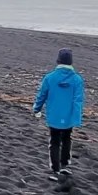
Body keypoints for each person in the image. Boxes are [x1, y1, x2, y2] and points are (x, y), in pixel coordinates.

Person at [32, 48, 85, 177]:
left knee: (54, 141)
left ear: (58, 60)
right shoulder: (77, 80)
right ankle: (64, 164)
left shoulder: (50, 77)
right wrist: (76, 118)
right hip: (68, 117)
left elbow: (42, 95)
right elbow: (78, 100)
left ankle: (55, 167)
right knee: (67, 139)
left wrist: (36, 108)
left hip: (54, 115)